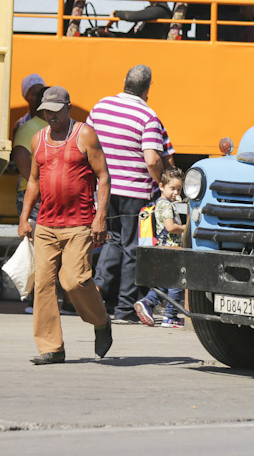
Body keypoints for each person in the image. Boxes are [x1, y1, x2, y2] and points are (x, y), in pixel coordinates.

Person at [18, 86, 113, 364]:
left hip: (78, 224)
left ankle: (100, 320)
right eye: (46, 111)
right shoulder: (38, 140)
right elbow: (34, 181)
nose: (51, 116)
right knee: (44, 285)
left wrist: (101, 217)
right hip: (46, 224)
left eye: (56, 111)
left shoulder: (84, 134)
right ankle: (52, 348)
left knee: (74, 281)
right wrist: (25, 217)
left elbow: (103, 176)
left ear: (68, 108)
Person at [86, 65, 168, 324]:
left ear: (125, 82)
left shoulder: (101, 107)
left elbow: (86, 142)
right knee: (133, 248)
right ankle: (124, 309)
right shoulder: (147, 116)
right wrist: (160, 183)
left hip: (106, 188)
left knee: (113, 241)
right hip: (135, 192)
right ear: (148, 88)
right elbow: (153, 159)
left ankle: (97, 290)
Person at [133, 167, 187, 329]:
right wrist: (186, 227)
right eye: (172, 188)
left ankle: (147, 303)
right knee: (176, 284)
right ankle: (170, 316)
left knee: (163, 283)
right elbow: (170, 227)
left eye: (179, 189)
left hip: (164, 249)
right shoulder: (165, 205)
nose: (176, 192)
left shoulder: (163, 203)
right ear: (161, 186)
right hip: (171, 249)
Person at [12, 74, 48, 221]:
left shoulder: (53, 124)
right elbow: (20, 158)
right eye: (33, 93)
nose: (38, 97)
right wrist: (38, 186)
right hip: (34, 188)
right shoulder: (22, 126)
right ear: (26, 96)